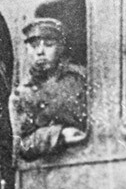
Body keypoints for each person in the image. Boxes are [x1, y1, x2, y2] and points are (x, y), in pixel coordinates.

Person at [9, 17, 88, 161]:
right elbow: (22, 145)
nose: (40, 51)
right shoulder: (22, 94)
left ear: (61, 47)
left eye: (49, 45)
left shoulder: (81, 78)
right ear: (27, 50)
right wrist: (60, 134)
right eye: (34, 46)